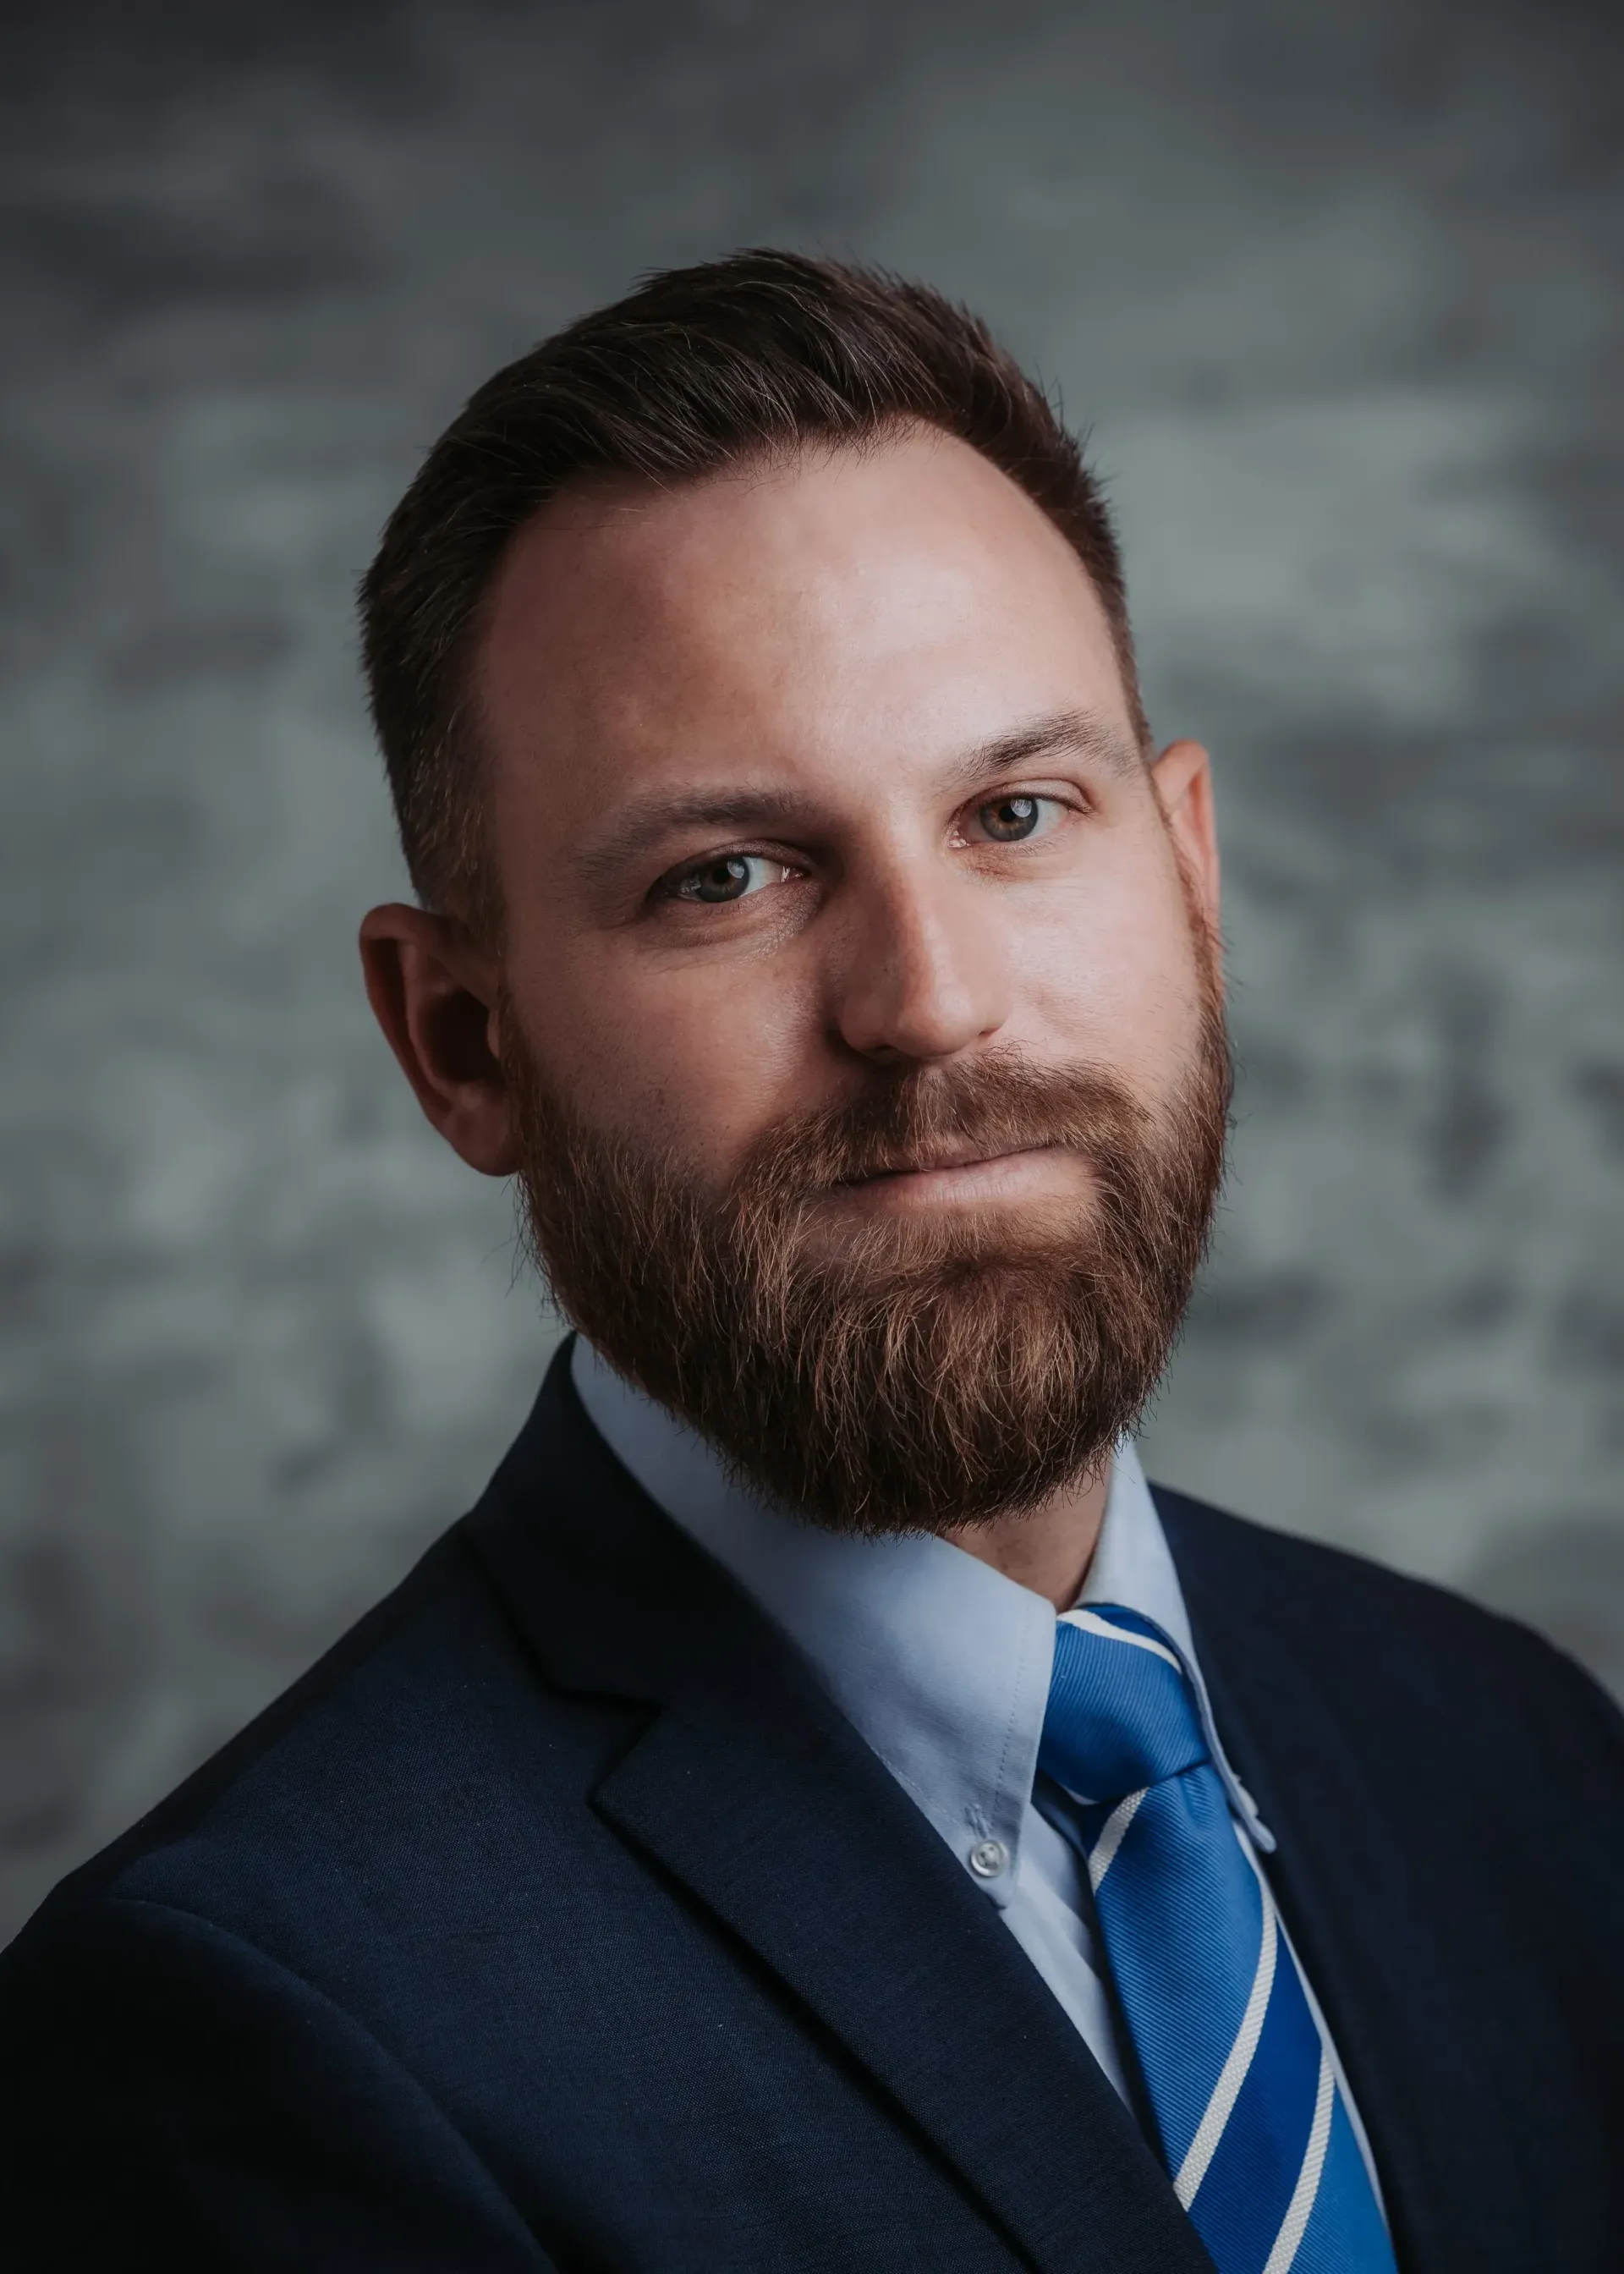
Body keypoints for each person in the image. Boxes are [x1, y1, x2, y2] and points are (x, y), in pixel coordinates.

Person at [2, 252, 1621, 2274]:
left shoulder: (1522, 1758)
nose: (928, 1003)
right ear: (462, 1042)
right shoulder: (251, 2031)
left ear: (1192, 879)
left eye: (1018, 812)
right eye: (727, 879)